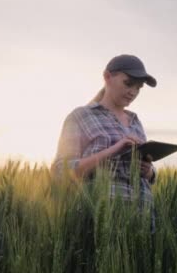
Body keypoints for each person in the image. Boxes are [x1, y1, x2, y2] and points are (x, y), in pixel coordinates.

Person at [51, 54, 158, 229]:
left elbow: (146, 171)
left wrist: (149, 172)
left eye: (138, 88)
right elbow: (60, 171)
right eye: (128, 83)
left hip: (142, 223)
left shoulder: (135, 121)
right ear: (107, 77)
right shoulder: (80, 116)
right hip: (101, 223)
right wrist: (113, 150)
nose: (133, 92)